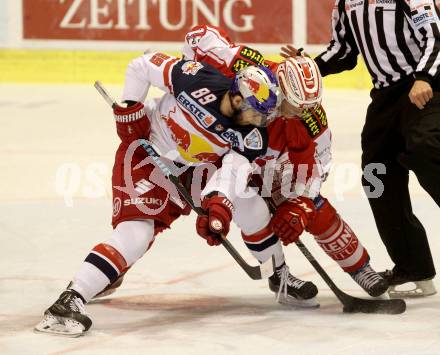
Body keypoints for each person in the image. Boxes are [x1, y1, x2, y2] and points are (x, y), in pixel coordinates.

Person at [34, 53, 317, 337]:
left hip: (195, 168)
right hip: (145, 154)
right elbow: (142, 65)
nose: (263, 121)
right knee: (136, 234)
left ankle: (277, 274)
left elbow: (232, 172)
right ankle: (70, 300)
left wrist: (218, 207)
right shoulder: (195, 77)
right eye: (258, 113)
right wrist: (131, 108)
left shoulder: (253, 135)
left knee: (252, 207)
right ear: (238, 100)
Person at [182, 25, 389, 298]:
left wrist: (299, 205)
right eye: (297, 106)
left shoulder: (309, 119)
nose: (304, 113)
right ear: (280, 89)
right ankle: (277, 274)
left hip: (271, 160)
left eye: (310, 106)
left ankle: (360, 267)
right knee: (249, 208)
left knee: (314, 208)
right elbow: (199, 37)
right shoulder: (248, 68)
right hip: (224, 152)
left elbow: (317, 166)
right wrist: (187, 70)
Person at [283, 0, 439, 298]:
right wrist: (309, 66)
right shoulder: (346, 3)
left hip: (428, 87)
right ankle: (413, 267)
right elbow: (343, 51)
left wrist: (424, 77)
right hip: (386, 97)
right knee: (377, 178)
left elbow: (434, 36)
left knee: (424, 147)